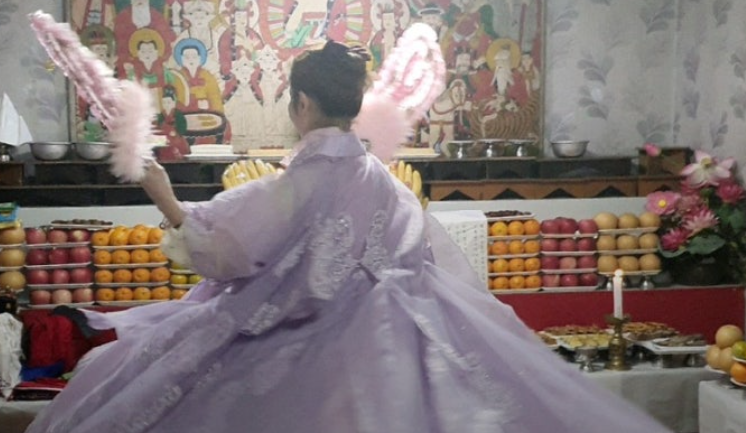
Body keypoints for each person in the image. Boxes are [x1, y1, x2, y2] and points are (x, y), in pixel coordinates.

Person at [26, 40, 672, 433]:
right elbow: (421, 259)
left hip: (296, 350)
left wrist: (162, 192)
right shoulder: (385, 181)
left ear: (302, 104)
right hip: (393, 351)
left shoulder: (295, 184)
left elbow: (219, 249)